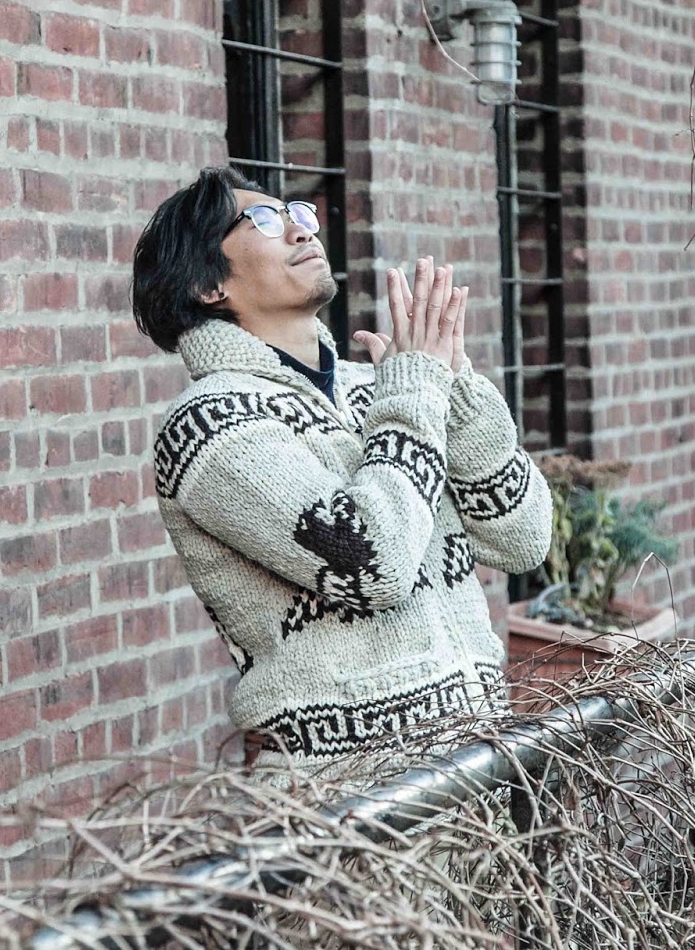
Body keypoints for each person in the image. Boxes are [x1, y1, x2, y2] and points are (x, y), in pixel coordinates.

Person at [132, 166, 552, 779]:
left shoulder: (382, 388)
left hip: (478, 767)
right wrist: (416, 392)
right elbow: (372, 562)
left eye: (297, 213)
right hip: (351, 795)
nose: (301, 230)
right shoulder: (208, 424)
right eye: (264, 221)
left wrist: (455, 388)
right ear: (207, 284)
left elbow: (523, 540)